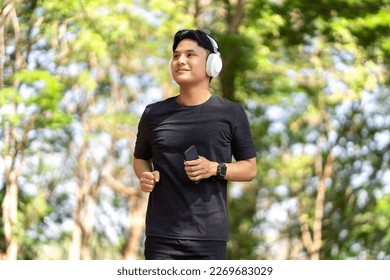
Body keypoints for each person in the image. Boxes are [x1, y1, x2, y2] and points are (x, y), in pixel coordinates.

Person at [133, 29, 257, 260]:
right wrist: (145, 175)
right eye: (176, 55)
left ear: (212, 64)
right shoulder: (153, 114)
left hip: (209, 237)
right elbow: (141, 158)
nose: (180, 61)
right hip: (161, 237)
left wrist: (215, 168)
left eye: (190, 55)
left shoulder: (231, 113)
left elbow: (250, 168)